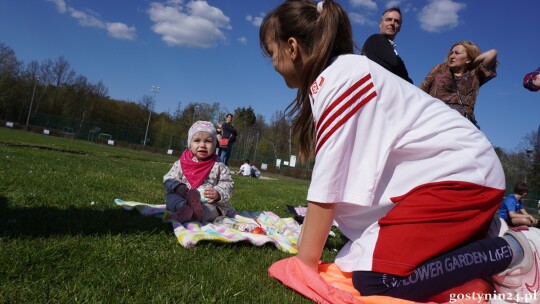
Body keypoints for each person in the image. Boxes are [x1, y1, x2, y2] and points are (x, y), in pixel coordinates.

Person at [259, 0, 540, 301]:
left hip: (463, 176)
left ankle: (514, 251)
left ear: (292, 48)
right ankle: (481, 237)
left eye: (272, 53)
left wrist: (304, 264)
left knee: (378, 279)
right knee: (363, 258)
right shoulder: (340, 75)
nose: (274, 63)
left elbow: (327, 184)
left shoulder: (339, 79)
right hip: (457, 172)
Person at [163, 121, 234, 223]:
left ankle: (199, 213)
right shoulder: (182, 162)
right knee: (171, 198)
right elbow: (169, 178)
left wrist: (218, 193)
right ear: (189, 144)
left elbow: (227, 183)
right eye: (197, 140)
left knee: (214, 209)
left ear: (214, 145)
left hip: (208, 202)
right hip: (183, 198)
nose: (202, 145)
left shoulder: (219, 165)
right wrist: (178, 186)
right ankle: (183, 208)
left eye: (208, 141)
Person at [419, 41, 498, 128]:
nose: (452, 56)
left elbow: (492, 53)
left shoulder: (475, 75)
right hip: (435, 117)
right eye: (451, 53)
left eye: (457, 53)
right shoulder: (440, 69)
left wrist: (471, 63)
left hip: (462, 123)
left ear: (468, 59)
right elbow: (421, 90)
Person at [361, 7, 412, 83]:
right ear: (380, 24)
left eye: (396, 21)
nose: (392, 23)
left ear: (399, 27)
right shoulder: (375, 40)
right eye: (388, 19)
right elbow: (395, 66)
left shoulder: (392, 50)